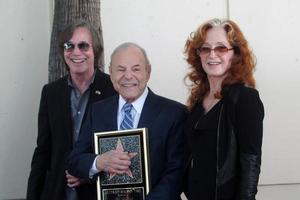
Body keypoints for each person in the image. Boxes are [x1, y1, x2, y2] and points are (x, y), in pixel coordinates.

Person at [67, 42, 187, 200]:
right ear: (110, 72)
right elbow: (75, 161)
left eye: (136, 69)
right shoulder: (98, 111)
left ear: (148, 72)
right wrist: (99, 162)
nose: (128, 76)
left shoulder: (174, 113)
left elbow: (176, 174)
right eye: (121, 69)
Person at [26, 21, 116, 200]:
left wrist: (89, 172)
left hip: (96, 193)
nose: (76, 52)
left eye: (83, 46)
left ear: (95, 50)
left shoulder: (113, 89)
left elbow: (119, 149)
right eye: (69, 46)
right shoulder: (50, 92)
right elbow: (43, 151)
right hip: (57, 192)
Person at [182, 18, 264, 200]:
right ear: (198, 54)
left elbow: (251, 162)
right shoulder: (197, 101)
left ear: (235, 54)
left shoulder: (245, 99)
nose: (212, 55)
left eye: (221, 48)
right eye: (205, 48)